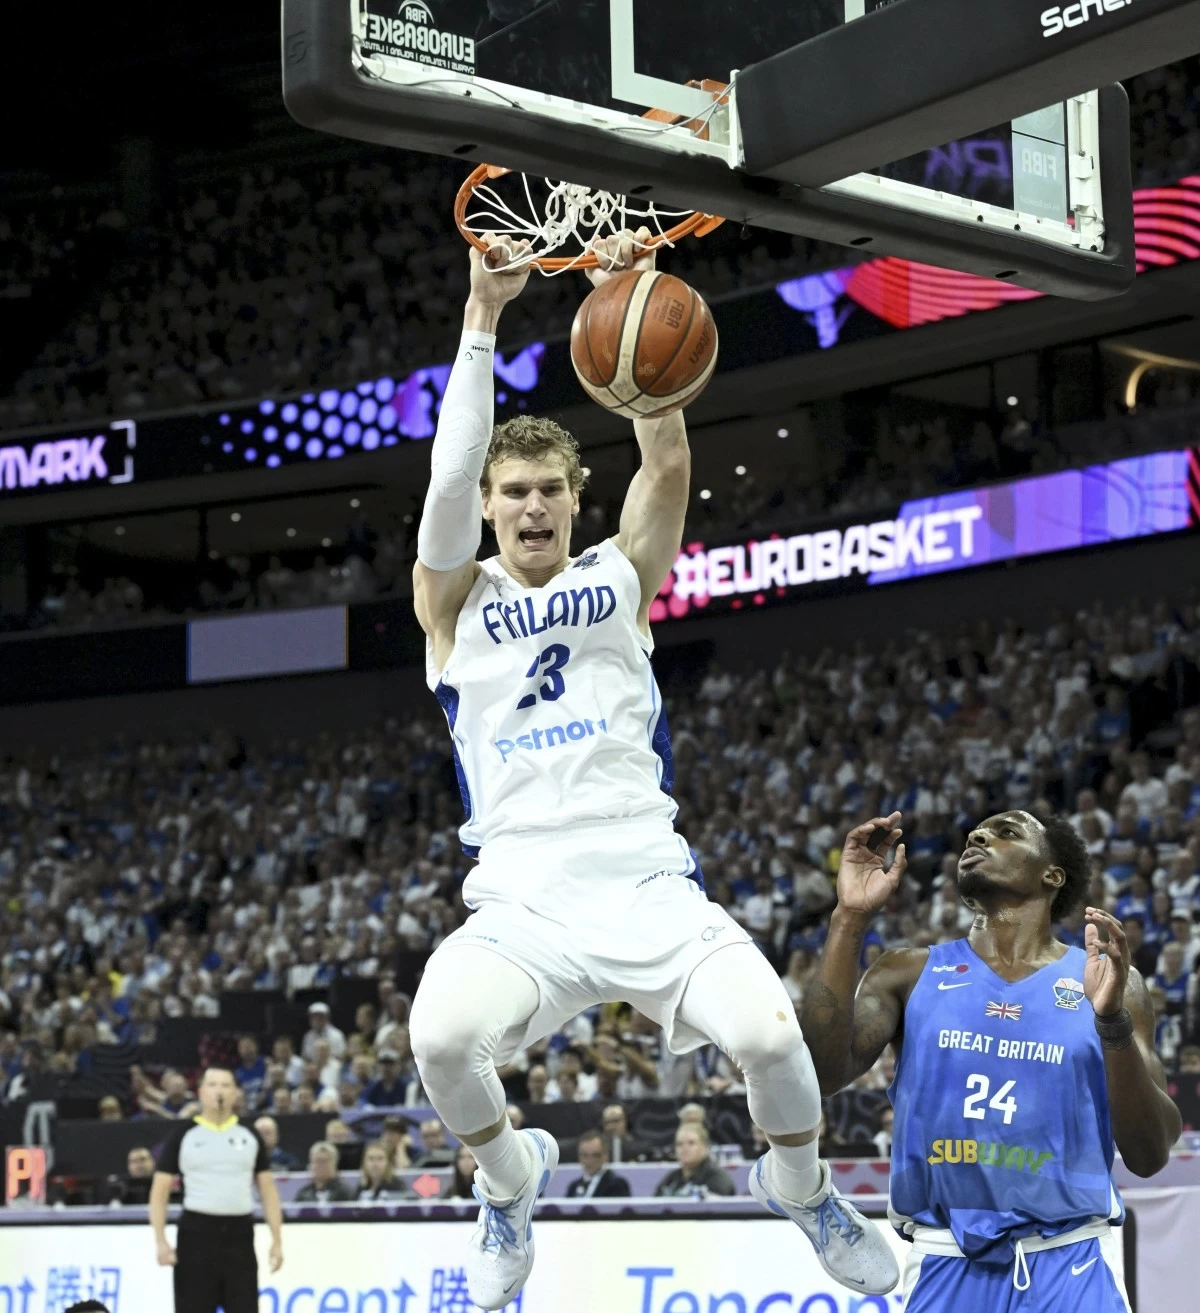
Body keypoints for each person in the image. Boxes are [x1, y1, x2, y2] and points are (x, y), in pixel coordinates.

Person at [407, 230, 895, 1310]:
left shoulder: (618, 574)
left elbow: (666, 464)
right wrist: (483, 319)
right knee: (439, 1035)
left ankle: (806, 1190)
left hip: (647, 883)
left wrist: (631, 298)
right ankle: (509, 1180)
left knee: (773, 1036)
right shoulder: (451, 606)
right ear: (490, 504)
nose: (532, 507)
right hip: (524, 899)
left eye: (549, 490)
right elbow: (444, 478)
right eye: (514, 491)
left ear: (577, 499)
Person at [802, 810, 1182, 1310]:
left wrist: (1111, 1023)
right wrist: (848, 918)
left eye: (1007, 832)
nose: (979, 835)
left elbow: (1150, 1153)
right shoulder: (908, 972)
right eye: (976, 832)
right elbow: (823, 1075)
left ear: (1052, 875)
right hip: (944, 1260)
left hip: (1072, 1261)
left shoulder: (1107, 981)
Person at [150, 1068, 284, 1313]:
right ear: (201, 1092)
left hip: (240, 1235)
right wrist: (160, 1241)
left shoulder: (250, 1135)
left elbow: (268, 1192)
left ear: (235, 1093)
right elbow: (160, 1192)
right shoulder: (183, 1134)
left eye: (225, 1085)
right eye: (212, 1085)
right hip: (196, 1235)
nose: (219, 1091)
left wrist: (277, 1240)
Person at [653, 1124, 736, 1198]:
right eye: (679, 1144)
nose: (685, 1148)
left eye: (691, 1143)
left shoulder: (718, 1177)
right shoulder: (672, 1178)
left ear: (704, 1147)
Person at [566, 1130, 632, 1198]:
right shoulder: (573, 1187)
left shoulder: (617, 1185)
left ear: (606, 1156)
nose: (590, 1161)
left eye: (595, 1155)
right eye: (585, 1155)